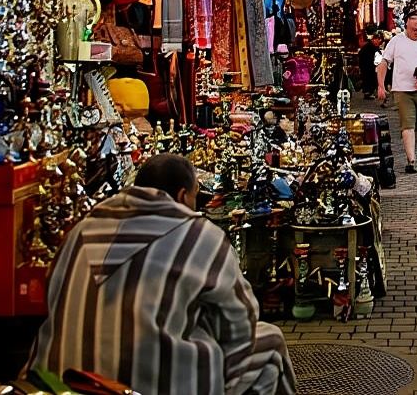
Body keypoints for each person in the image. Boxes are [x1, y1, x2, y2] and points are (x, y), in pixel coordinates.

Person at [26, 154, 296, 395]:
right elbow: (240, 325)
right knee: (270, 344)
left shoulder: (81, 232)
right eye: (195, 196)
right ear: (182, 196)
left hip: (59, 381)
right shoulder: (198, 236)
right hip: (148, 386)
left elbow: (52, 299)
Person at [376, 13, 417, 174]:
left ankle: (413, 153)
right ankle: (411, 161)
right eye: (414, 29)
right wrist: (381, 85)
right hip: (402, 89)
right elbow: (384, 63)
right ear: (406, 26)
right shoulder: (396, 41)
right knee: (408, 123)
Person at [358, 30, 385, 99]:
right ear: (374, 39)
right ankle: (368, 92)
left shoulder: (373, 46)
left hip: (371, 65)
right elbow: (362, 56)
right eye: (377, 39)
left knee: (372, 78)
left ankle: (371, 92)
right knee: (368, 78)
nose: (378, 41)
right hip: (367, 65)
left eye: (380, 40)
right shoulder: (368, 47)